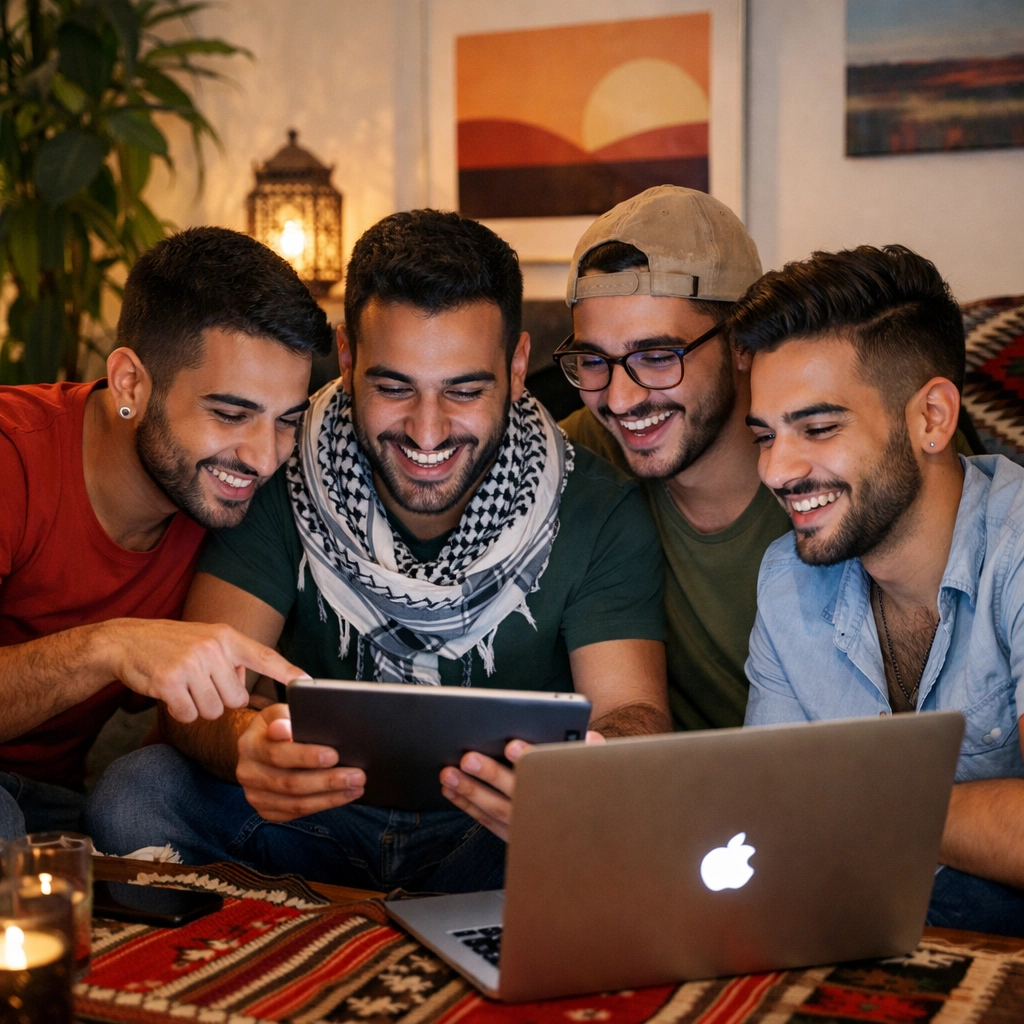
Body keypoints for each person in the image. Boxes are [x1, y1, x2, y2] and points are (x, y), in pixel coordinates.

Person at [87, 210, 670, 892]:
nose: (427, 431)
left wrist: (579, 778)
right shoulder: (277, 468)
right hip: (310, 818)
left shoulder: (598, 506)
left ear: (516, 368)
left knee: (637, 830)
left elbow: (633, 713)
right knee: (135, 793)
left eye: (464, 389)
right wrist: (248, 743)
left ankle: (317, 922)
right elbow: (208, 690)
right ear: (347, 358)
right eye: (393, 387)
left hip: (492, 831)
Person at [0, 227, 329, 841]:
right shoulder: (12, 456)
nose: (262, 458)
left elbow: (182, 728)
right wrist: (108, 647)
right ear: (130, 384)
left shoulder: (225, 504)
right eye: (230, 414)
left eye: (286, 421)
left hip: (59, 805)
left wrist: (255, 740)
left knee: (135, 802)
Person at [738, 244, 1024, 938]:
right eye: (764, 436)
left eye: (819, 428)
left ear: (931, 417)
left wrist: (865, 803)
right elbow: (769, 818)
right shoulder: (786, 580)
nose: (777, 471)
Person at [558, 186, 790, 730]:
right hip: (673, 800)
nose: (618, 400)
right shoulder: (581, 453)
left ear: (743, 345)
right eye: (593, 360)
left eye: (657, 356)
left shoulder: (838, 468)